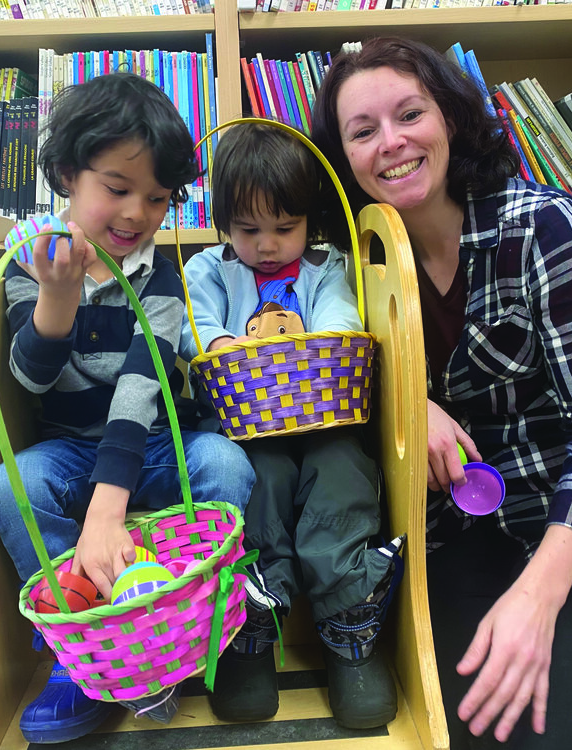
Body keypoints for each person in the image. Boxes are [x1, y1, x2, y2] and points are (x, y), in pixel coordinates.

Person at [312, 37, 572, 750]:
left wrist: (539, 598)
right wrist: (409, 400)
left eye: (409, 114)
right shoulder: (356, 260)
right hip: (460, 535)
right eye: (363, 131)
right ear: (344, 157)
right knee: (463, 734)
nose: (391, 143)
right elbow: (335, 391)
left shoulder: (542, 225)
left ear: (448, 116)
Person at [0, 72, 256, 745]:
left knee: (225, 461)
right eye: (117, 188)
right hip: (73, 448)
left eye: (158, 199)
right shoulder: (28, 262)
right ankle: (82, 646)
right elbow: (30, 381)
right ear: (69, 175)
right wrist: (57, 298)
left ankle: (220, 622)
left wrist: (109, 510)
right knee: (13, 487)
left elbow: (144, 386)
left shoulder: (159, 274)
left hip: (155, 446)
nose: (137, 214)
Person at [178, 122, 405, 729]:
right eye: (249, 231)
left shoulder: (325, 267)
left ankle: (348, 626)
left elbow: (341, 318)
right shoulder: (208, 269)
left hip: (325, 421)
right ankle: (253, 626)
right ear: (224, 223)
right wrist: (224, 339)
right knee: (256, 484)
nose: (269, 245)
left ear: (309, 221)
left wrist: (321, 338)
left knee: (345, 475)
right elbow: (191, 325)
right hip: (246, 429)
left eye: (285, 228)